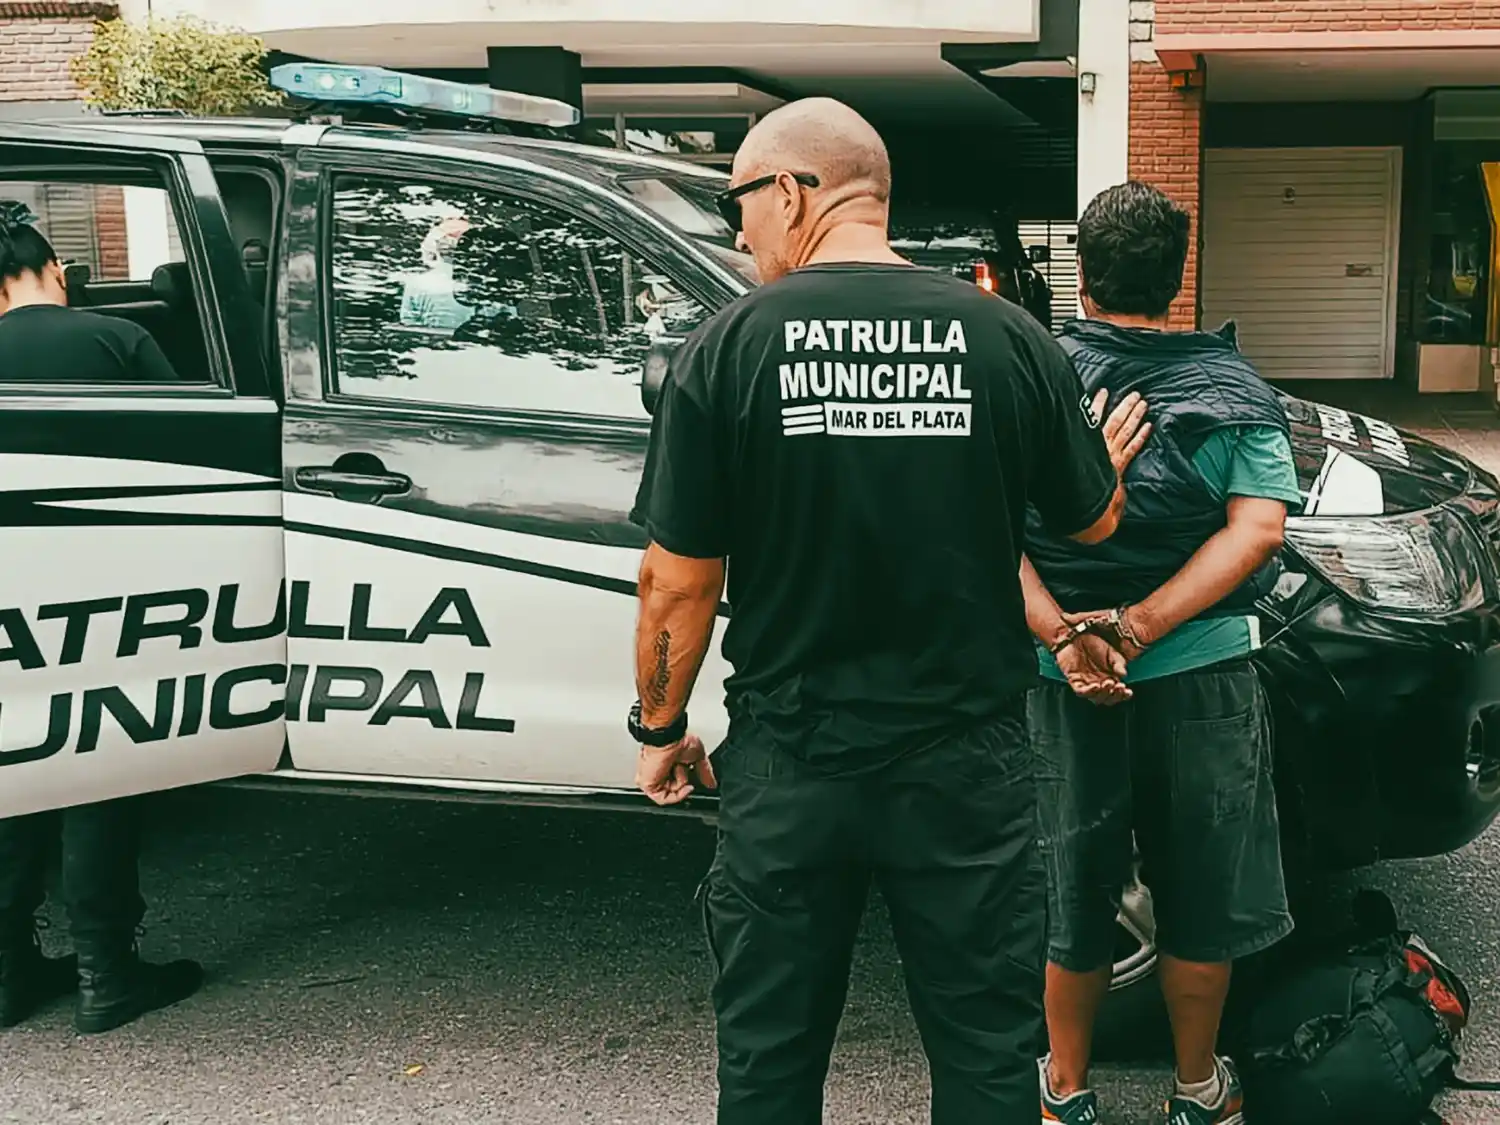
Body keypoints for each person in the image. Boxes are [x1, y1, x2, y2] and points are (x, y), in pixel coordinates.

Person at [625, 98, 1150, 1124]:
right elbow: (1094, 527)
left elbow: (676, 581)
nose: (739, 233)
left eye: (740, 203)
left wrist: (659, 728)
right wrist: (1103, 466)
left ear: (791, 191)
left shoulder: (726, 348)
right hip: (968, 766)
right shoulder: (1010, 339)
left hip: (793, 761)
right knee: (988, 1056)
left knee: (770, 1060)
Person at [1021, 181, 1299, 1125]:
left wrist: (1070, 634)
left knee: (1074, 879)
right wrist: (1140, 626)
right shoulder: (1238, 392)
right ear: (1177, 280)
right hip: (1203, 677)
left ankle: (1064, 1091)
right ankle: (1196, 1088)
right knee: (1201, 883)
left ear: (1080, 272)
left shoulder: (1035, 375)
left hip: (1060, 677)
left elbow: (980, 528)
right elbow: (1257, 533)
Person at [0, 210, 203, 1033]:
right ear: (57, 266)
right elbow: (184, 454)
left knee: (13, 769)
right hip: (105, 584)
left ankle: (10, 977)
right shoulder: (117, 339)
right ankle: (105, 971)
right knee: (97, 765)